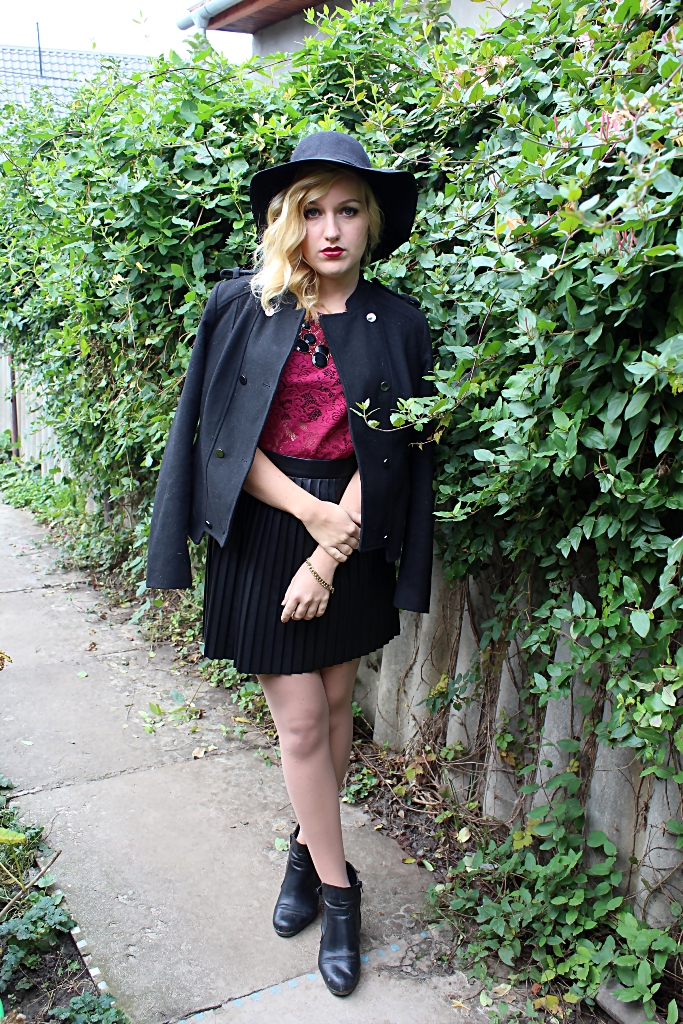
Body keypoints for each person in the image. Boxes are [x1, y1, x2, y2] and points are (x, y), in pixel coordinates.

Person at [146, 131, 434, 997]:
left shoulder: (399, 320)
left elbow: (395, 450)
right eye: (312, 211)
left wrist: (332, 547)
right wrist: (311, 525)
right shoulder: (241, 306)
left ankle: (306, 855)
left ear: (371, 221)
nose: (331, 229)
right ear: (287, 220)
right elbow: (222, 438)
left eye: (348, 210)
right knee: (303, 722)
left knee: (338, 705)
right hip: (266, 525)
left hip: (355, 523)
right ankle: (342, 896)